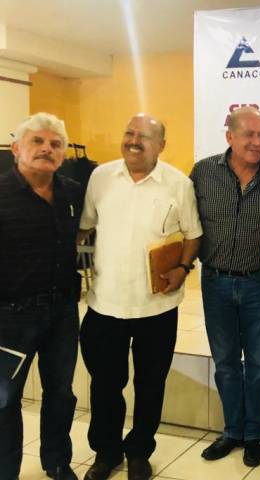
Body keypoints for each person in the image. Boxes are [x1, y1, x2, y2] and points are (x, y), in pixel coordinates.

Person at [79, 114, 202, 480]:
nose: (134, 141)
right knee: (105, 385)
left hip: (157, 306)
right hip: (105, 304)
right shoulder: (100, 177)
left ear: (161, 145)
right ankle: (106, 453)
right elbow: (84, 227)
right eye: (129, 133)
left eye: (144, 136)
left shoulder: (178, 184)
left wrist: (183, 268)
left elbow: (193, 234)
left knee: (150, 385)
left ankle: (139, 453)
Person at [190, 107, 260, 467]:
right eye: (249, 134)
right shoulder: (203, 173)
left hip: (258, 284)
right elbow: (185, 220)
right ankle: (232, 431)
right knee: (226, 363)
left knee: (259, 364)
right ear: (229, 136)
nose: (257, 142)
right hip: (214, 282)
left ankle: (254, 434)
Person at [0, 113, 81, 480]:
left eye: (55, 144)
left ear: (63, 154)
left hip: (62, 312)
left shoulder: (72, 192)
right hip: (9, 318)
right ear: (16, 148)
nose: (47, 149)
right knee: (5, 399)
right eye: (38, 141)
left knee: (61, 393)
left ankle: (58, 462)